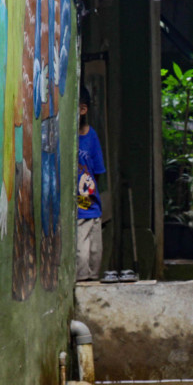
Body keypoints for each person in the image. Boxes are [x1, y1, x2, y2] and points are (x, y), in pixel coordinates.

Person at [77, 87, 106, 281]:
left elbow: (98, 172)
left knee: (96, 253)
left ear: (83, 109)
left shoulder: (91, 136)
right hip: (76, 211)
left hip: (91, 206)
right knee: (81, 255)